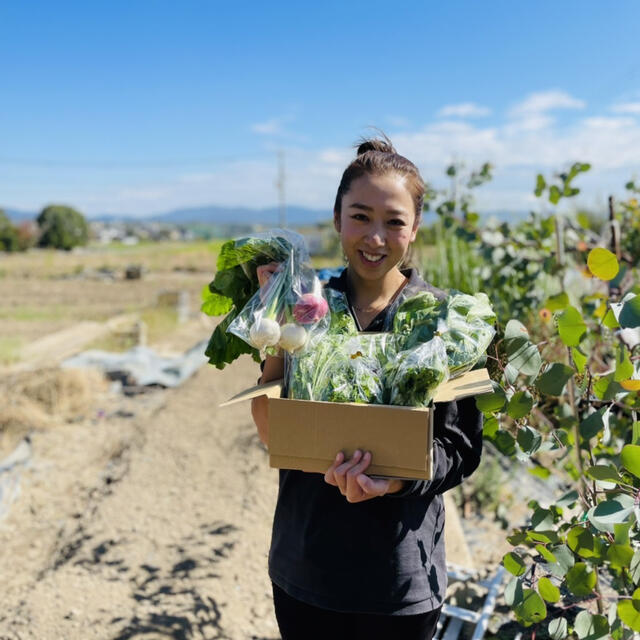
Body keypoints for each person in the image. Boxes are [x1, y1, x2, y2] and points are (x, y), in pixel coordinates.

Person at [251, 135, 483, 640]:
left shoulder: (446, 319)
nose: (375, 237)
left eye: (394, 221)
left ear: (414, 228)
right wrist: (273, 323)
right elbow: (275, 434)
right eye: (360, 216)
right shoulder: (306, 307)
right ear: (337, 219)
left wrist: (395, 481)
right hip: (305, 568)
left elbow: (460, 449)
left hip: (399, 581)